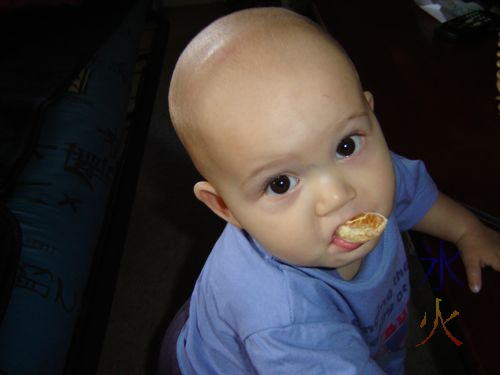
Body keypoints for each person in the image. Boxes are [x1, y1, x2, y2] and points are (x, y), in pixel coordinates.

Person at [161, 7, 500, 374]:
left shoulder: (373, 170)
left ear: (369, 116)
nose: (338, 194)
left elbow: (413, 194)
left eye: (345, 146)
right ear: (225, 208)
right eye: (281, 183)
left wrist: (467, 229)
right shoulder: (284, 320)